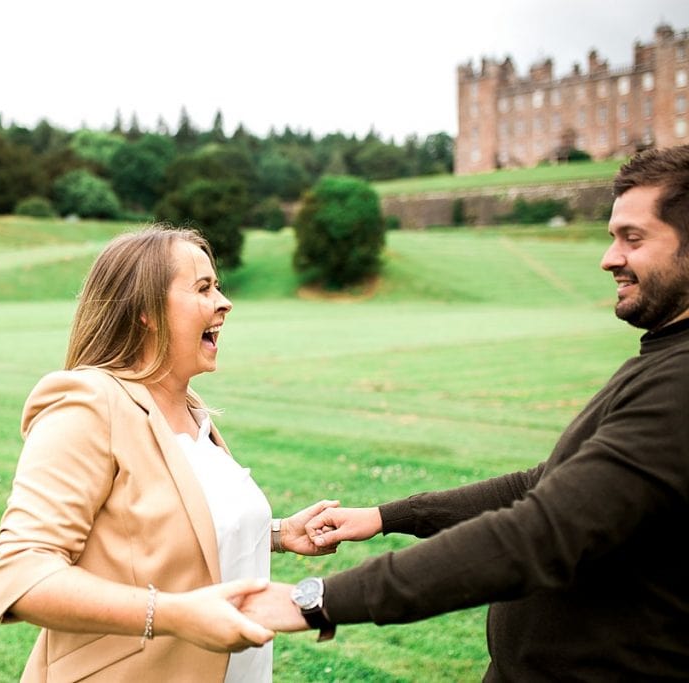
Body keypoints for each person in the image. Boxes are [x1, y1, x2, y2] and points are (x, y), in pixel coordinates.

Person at [240, 145, 689, 681]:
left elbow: (537, 534)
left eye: (632, 238)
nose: (609, 258)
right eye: (611, 236)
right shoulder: (663, 362)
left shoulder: (680, 385)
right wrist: (388, 517)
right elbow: (539, 486)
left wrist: (316, 600)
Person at [0, 225, 337, 682]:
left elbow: (161, 528)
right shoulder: (89, 403)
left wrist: (274, 533)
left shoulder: (189, 409)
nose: (225, 302)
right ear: (145, 312)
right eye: (203, 288)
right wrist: (171, 614)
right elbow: (23, 574)